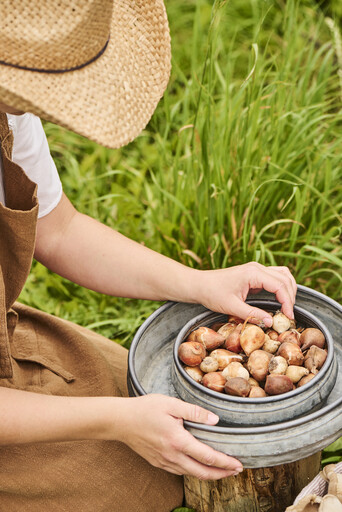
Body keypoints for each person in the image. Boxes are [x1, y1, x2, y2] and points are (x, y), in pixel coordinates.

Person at [0, 0, 297, 510]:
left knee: (173, 413)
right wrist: (117, 423)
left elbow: (60, 229)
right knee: (140, 478)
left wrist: (199, 282)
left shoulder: (9, 109)